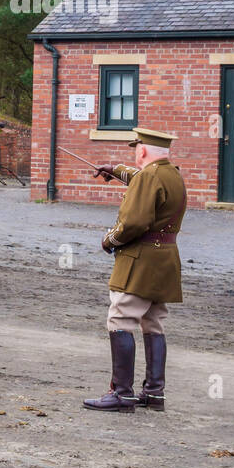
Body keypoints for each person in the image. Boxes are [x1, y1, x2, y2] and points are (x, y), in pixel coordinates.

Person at [83, 128, 186, 413]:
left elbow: (133, 223)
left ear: (141, 151)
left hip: (140, 260)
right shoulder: (172, 174)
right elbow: (143, 180)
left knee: (120, 318)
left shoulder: (149, 177)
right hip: (164, 260)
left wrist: (109, 240)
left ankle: (122, 394)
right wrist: (115, 170)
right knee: (153, 323)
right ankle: (154, 393)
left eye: (135, 149)